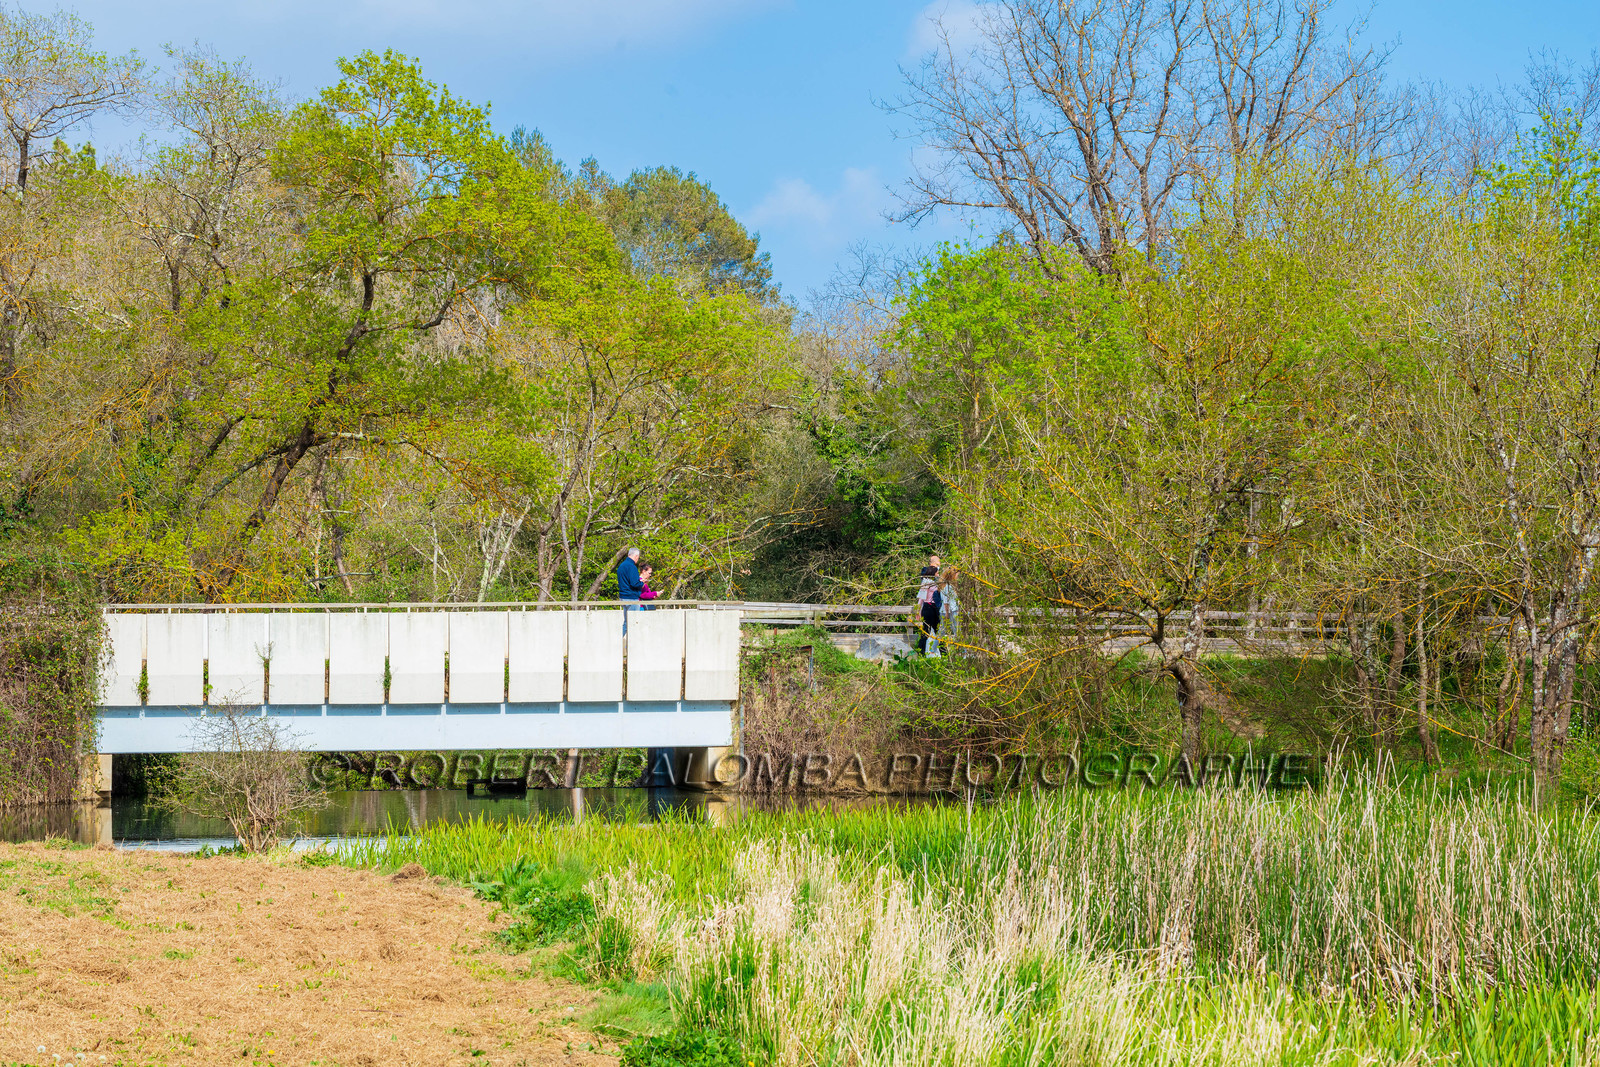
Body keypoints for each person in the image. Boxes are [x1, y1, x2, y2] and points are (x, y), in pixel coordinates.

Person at [915, 563, 942, 656]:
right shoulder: (926, 582)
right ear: (933, 573)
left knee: (938, 630)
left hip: (934, 608)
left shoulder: (935, 583)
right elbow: (921, 598)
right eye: (937, 573)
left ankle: (941, 651)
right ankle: (921, 651)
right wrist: (918, 611)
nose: (938, 574)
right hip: (928, 607)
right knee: (927, 630)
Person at [617, 547, 642, 632]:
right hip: (631, 598)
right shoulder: (632, 567)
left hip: (623, 597)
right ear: (636, 556)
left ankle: (622, 641)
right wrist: (642, 583)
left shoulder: (621, 566)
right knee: (633, 623)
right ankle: (630, 643)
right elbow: (634, 583)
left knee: (626, 622)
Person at [939, 565, 961, 644]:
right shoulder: (947, 587)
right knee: (957, 631)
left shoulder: (947, 586)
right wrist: (947, 613)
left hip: (948, 611)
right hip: (950, 611)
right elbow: (946, 601)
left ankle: (932, 649)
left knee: (942, 631)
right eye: (957, 575)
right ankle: (963, 651)